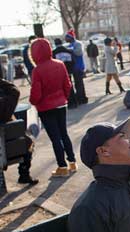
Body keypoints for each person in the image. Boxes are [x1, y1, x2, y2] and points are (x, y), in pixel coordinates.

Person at [29, 38, 77, 177]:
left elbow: (36, 94)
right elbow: (67, 85)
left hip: (45, 107)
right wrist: (64, 97)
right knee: (64, 133)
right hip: (61, 104)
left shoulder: (37, 70)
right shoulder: (60, 64)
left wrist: (33, 102)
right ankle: (72, 162)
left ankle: (62, 167)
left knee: (55, 137)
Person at [0, 78, 38, 185]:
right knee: (27, 141)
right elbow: (14, 91)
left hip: (5, 150)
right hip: (13, 150)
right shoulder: (4, 103)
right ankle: (24, 174)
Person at [53, 38, 78, 109]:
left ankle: (68, 102)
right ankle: (74, 102)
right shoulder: (68, 51)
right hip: (69, 72)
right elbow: (73, 61)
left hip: (59, 73)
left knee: (63, 88)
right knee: (70, 86)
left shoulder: (54, 53)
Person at [65, 29, 88, 104]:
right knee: (77, 84)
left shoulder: (78, 44)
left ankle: (81, 98)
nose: (66, 39)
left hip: (78, 66)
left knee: (79, 83)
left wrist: (71, 51)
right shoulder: (70, 45)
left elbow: (79, 53)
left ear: (71, 37)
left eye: (67, 37)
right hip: (73, 67)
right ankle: (80, 97)